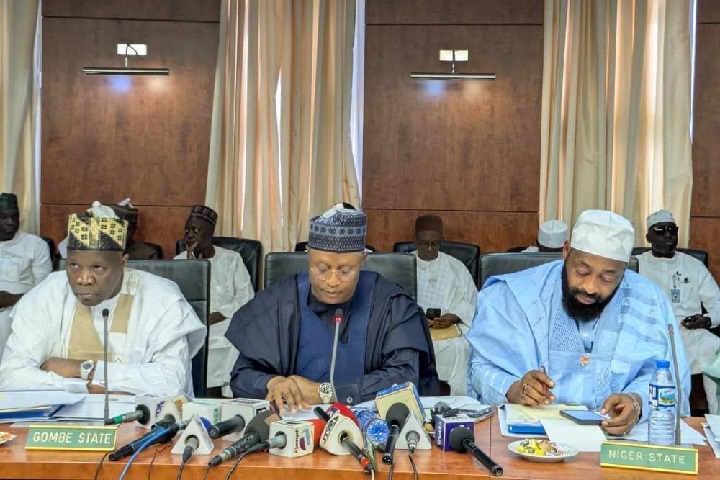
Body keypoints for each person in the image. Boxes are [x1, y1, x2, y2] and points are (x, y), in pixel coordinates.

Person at [468, 210, 691, 436]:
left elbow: (671, 378)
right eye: (582, 271)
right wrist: (514, 388)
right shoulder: (513, 296)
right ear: (566, 252)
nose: (590, 287)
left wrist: (637, 401)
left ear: (624, 271)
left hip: (617, 440)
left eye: (607, 278)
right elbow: (480, 368)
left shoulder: (650, 301)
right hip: (532, 437)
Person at [226, 203, 440, 410]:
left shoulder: (391, 304)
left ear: (362, 260)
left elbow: (405, 377)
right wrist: (272, 383)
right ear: (308, 255)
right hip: (293, 424)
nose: (333, 281)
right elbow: (241, 377)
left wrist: (326, 393)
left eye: (345, 271)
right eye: (322, 268)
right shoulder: (281, 301)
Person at [0, 202, 205, 395]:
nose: (84, 279)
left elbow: (172, 381)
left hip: (138, 417)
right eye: (74, 266)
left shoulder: (160, 299)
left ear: (122, 263)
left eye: (97, 267)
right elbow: (10, 376)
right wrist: (87, 388)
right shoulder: (49, 293)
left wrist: (83, 369)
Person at [636, 209, 720, 414]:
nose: (667, 235)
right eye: (660, 230)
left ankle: (717, 419)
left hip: (689, 334)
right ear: (648, 236)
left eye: (672, 230)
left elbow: (717, 303)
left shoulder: (694, 265)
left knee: (717, 349)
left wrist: (706, 320)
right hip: (648, 335)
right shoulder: (636, 265)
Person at [174, 204, 254, 397]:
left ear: (209, 233)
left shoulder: (232, 259)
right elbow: (175, 300)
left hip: (226, 320)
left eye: (195, 231)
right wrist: (191, 265)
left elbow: (246, 296)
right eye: (187, 230)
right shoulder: (179, 262)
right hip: (193, 321)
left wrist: (222, 313)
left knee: (232, 339)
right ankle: (199, 392)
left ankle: (223, 393)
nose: (189, 235)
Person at [413, 214, 476, 395]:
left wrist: (454, 316)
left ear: (442, 240)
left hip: (449, 331)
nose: (430, 249)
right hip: (414, 330)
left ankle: (457, 400)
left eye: (435, 244)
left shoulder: (456, 267)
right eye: (424, 244)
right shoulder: (403, 264)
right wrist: (417, 318)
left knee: (462, 347)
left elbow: (473, 301)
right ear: (415, 241)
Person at [0, 193, 53, 356]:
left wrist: (11, 299)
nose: (10, 222)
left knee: (4, 323)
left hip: (20, 307)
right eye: (3, 217)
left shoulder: (35, 245)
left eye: (14, 216)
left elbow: (44, 290)